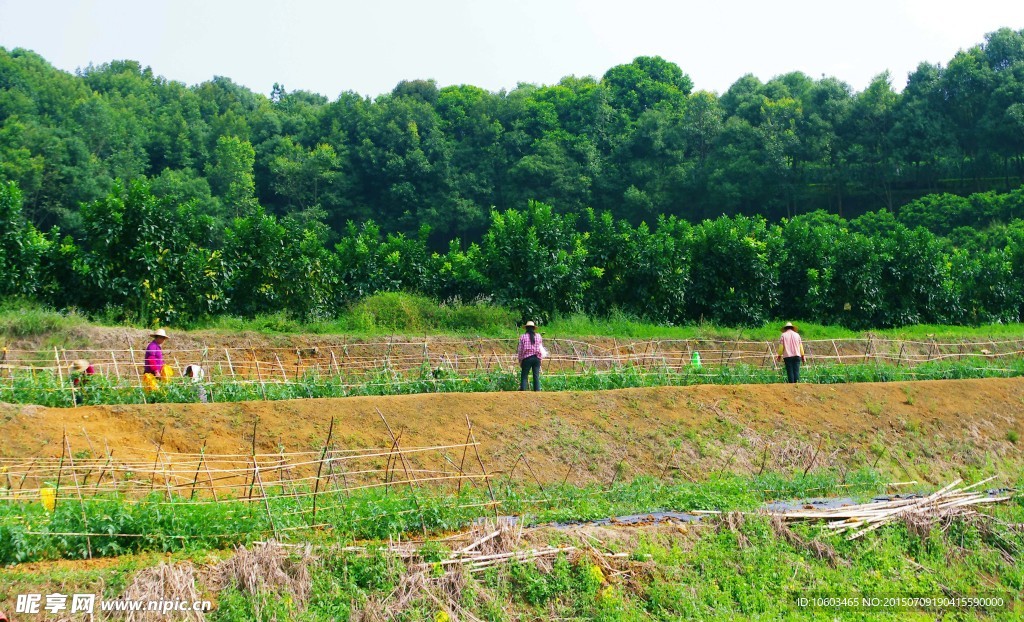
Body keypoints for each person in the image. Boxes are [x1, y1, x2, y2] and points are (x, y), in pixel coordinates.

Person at [517, 320, 545, 391]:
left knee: (524, 375)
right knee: (536, 376)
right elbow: (541, 348)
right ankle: (537, 391)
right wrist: (540, 359)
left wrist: (520, 360)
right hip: (537, 358)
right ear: (533, 328)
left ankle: (523, 390)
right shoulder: (538, 336)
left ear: (526, 328)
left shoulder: (523, 337)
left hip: (527, 358)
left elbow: (520, 350)